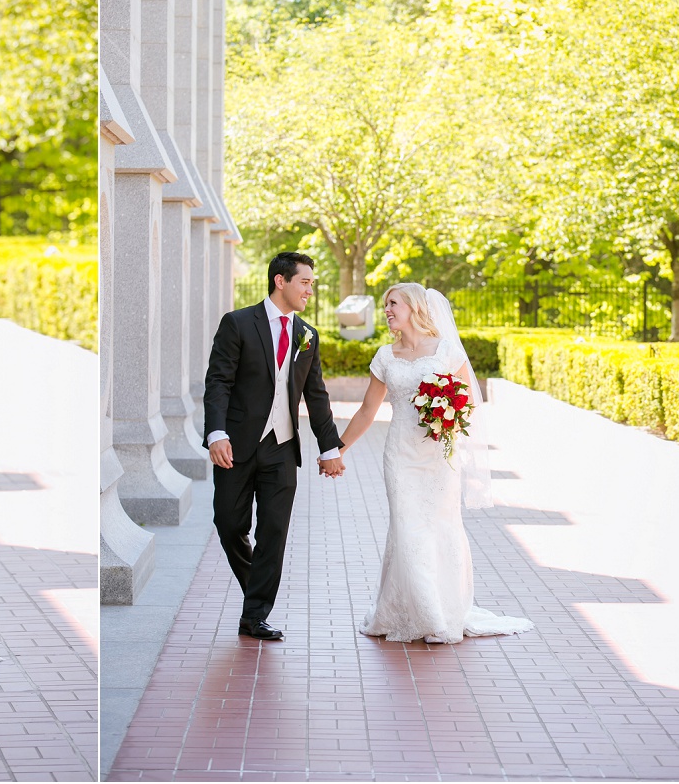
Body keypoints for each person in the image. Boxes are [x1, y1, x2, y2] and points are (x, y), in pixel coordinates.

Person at [339, 283, 533, 644]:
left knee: (440, 527)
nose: (387, 311)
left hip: (439, 455)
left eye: (392, 304)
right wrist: (339, 449)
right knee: (406, 529)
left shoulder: (445, 350)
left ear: (413, 307)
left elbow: (468, 400)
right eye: (385, 305)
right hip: (400, 455)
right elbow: (368, 410)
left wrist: (446, 415)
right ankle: (422, 614)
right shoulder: (385, 355)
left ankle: (445, 610)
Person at [202, 252, 345, 641]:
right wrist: (216, 433)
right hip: (236, 444)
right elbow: (218, 382)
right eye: (305, 282)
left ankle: (255, 615)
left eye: (312, 284)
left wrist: (329, 448)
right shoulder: (237, 323)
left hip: (282, 447)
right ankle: (257, 588)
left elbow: (316, 396)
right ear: (280, 281)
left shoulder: (308, 334)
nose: (310, 291)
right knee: (229, 524)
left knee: (273, 533)